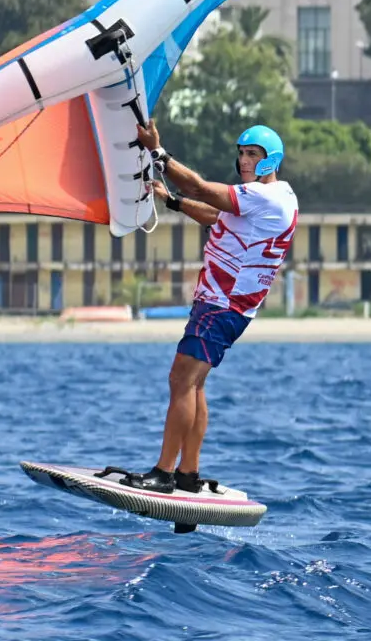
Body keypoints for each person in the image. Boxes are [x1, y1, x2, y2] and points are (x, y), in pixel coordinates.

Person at [118, 122, 298, 494]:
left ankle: (163, 473)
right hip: (229, 306)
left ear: (272, 160)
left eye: (253, 155)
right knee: (195, 385)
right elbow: (217, 216)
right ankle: (188, 474)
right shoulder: (281, 196)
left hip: (222, 304)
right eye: (242, 153)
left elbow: (200, 187)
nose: (244, 161)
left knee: (181, 380)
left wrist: (158, 152)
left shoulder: (262, 196)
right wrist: (173, 202)